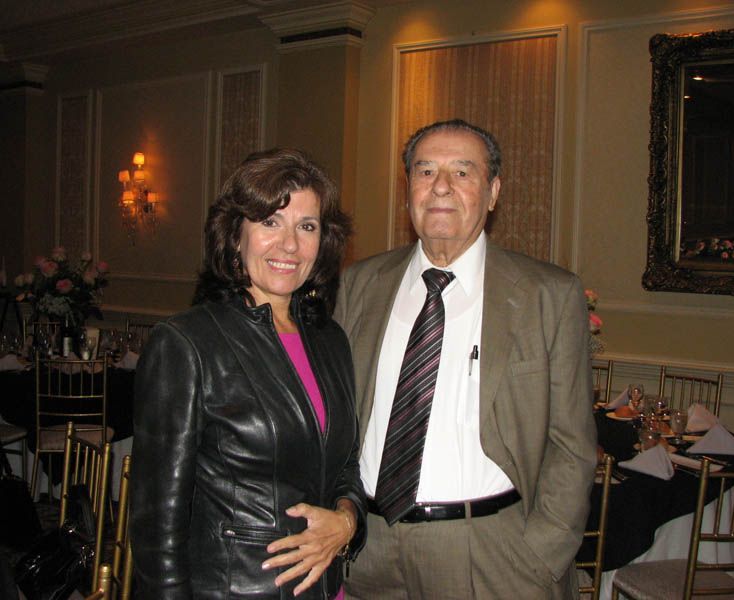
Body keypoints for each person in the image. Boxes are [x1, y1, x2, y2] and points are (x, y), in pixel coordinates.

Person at [334, 119, 597, 598]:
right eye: (425, 170)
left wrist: (542, 554)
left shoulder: (547, 294)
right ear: (408, 187)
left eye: (462, 172)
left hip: (490, 554)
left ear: (493, 191)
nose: (440, 187)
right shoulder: (361, 284)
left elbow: (572, 445)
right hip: (368, 549)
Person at [131, 148, 366, 599]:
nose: (290, 244)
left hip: (325, 587)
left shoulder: (329, 338)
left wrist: (347, 520)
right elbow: (157, 527)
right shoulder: (187, 343)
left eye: (307, 226)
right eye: (270, 222)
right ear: (235, 234)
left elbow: (347, 464)